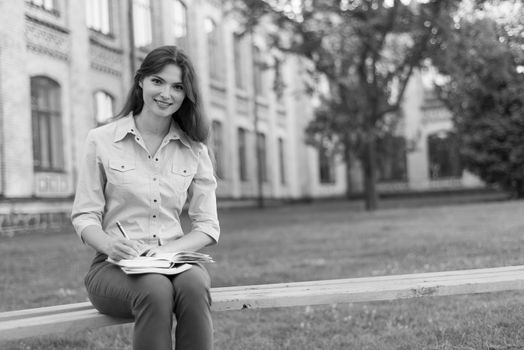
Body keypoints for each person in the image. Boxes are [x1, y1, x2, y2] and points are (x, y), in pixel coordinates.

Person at [71, 45, 220, 350]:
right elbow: (84, 215)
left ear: (186, 95)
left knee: (194, 286)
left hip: (175, 261)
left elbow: (207, 225)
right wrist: (110, 244)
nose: (166, 94)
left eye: (178, 87)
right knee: (154, 289)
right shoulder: (101, 140)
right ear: (141, 81)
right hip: (114, 268)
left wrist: (169, 252)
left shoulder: (194, 149)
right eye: (158, 81)